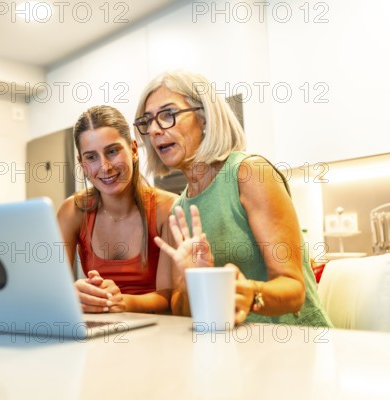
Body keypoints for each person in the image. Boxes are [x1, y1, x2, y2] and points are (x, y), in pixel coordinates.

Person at [133, 71, 332, 327]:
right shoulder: (179, 210)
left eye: (167, 115)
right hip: (235, 353)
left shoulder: (250, 174)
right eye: (147, 122)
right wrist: (191, 279)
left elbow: (293, 290)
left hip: (297, 347)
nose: (154, 130)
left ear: (204, 118)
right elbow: (181, 313)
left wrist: (248, 293)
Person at [57, 105, 177, 314]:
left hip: (157, 331)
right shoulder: (73, 211)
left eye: (112, 151)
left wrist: (122, 302)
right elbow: (54, 289)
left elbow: (169, 298)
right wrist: (75, 294)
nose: (104, 167)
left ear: (133, 149)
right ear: (81, 163)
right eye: (91, 157)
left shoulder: (166, 209)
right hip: (100, 329)